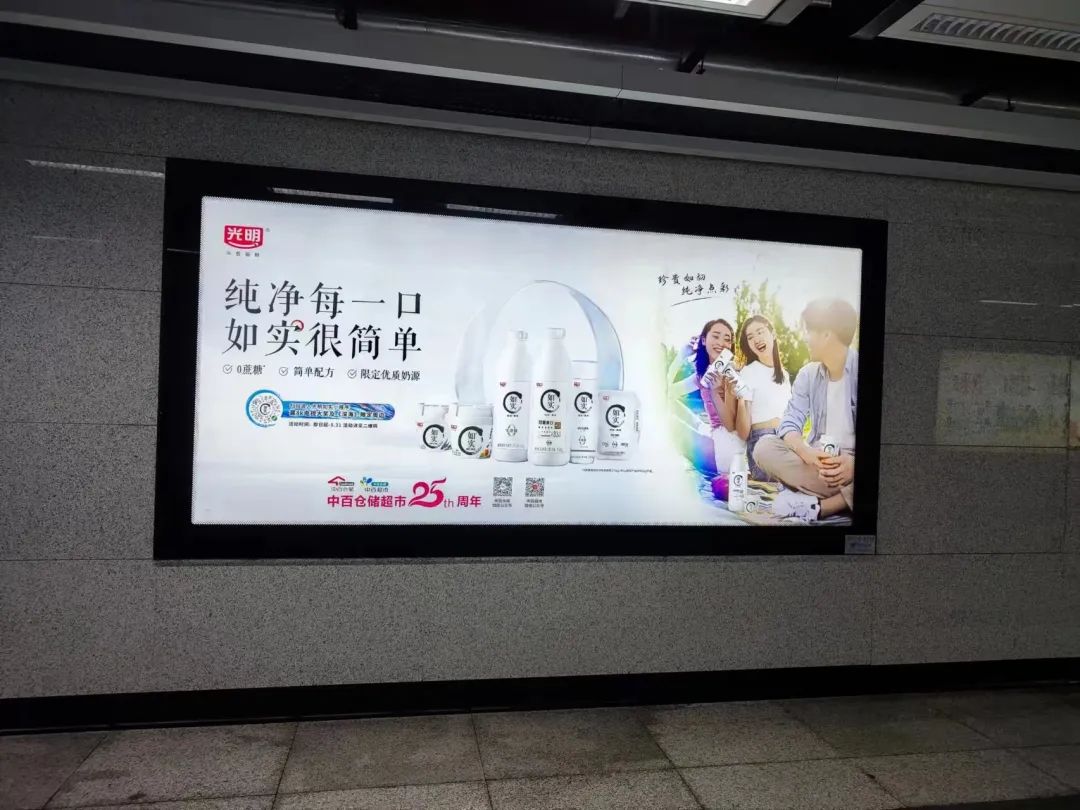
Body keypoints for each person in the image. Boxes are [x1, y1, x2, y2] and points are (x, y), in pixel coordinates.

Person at [753, 299, 858, 522]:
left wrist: (855, 466)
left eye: (809, 332)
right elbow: (790, 420)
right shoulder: (808, 374)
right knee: (763, 447)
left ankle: (822, 506)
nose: (805, 339)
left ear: (827, 334)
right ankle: (830, 496)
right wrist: (804, 451)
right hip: (817, 465)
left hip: (851, 469)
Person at [734, 315, 791, 481]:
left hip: (788, 439)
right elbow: (743, 433)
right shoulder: (748, 372)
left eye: (760, 332)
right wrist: (740, 399)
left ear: (773, 334)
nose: (756, 339)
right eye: (750, 337)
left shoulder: (785, 376)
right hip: (762, 441)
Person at [692, 318, 747, 474]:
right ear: (703, 340)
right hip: (716, 434)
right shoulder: (701, 375)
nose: (721, 343)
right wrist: (683, 354)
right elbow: (670, 391)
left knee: (674, 423)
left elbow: (731, 426)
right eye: (716, 336)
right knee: (678, 411)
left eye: (727, 339)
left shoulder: (732, 372)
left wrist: (715, 391)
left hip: (727, 444)